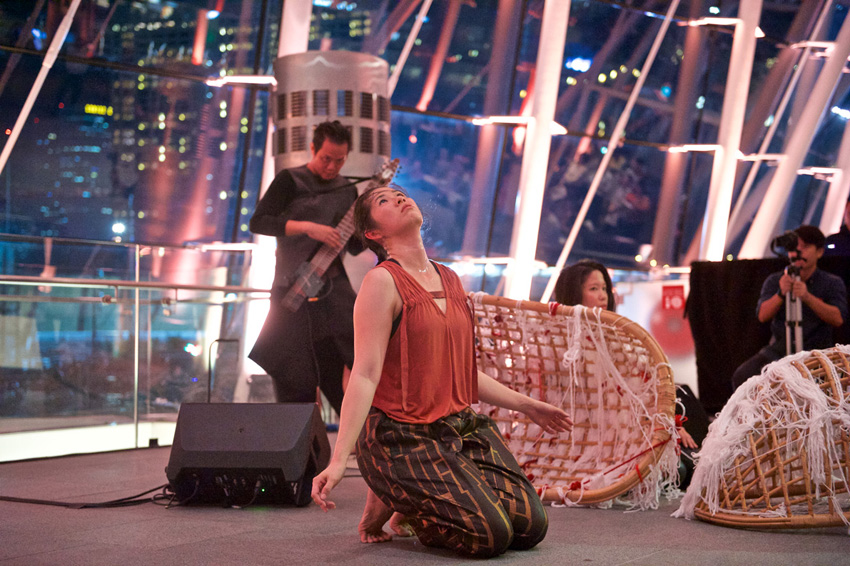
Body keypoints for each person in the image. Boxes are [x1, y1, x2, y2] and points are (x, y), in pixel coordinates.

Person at [311, 185, 573, 558]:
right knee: (491, 536)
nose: (399, 198)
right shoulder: (381, 282)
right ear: (373, 233)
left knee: (531, 526)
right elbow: (365, 374)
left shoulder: (450, 278)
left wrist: (527, 405)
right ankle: (399, 496)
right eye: (384, 200)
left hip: (458, 425)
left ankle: (412, 500)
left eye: (399, 194)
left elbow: (460, 372)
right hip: (400, 435)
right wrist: (339, 460)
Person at [248, 120, 363, 415]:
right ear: (313, 149)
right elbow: (259, 222)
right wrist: (308, 227)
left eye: (340, 160)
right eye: (326, 158)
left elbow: (354, 246)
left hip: (331, 292)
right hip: (291, 288)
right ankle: (296, 435)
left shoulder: (347, 190)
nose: (331, 167)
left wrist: (372, 226)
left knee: (350, 354)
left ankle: (361, 431)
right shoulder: (290, 180)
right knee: (291, 369)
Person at [731, 225, 848, 390]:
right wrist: (780, 294)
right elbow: (762, 315)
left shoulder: (831, 282)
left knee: (825, 383)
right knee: (743, 376)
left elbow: (838, 318)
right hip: (779, 350)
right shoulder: (776, 280)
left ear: (819, 252)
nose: (798, 252)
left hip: (816, 352)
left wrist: (807, 297)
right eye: (794, 247)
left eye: (805, 247)